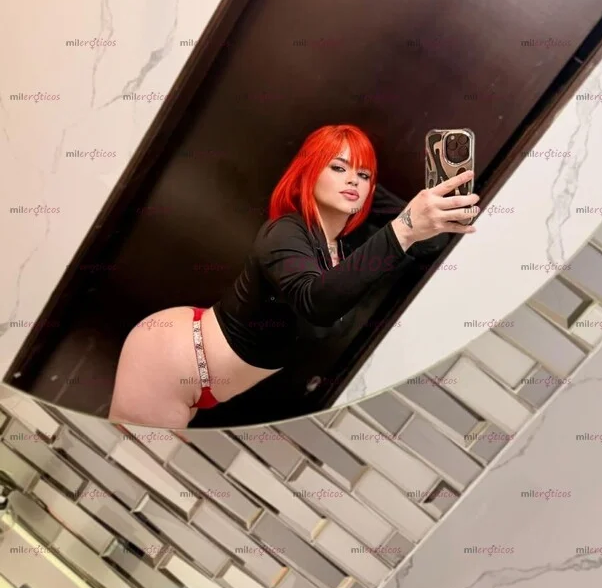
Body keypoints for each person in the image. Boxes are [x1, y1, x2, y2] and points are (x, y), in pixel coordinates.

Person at [108, 123, 480, 428]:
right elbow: (316, 301)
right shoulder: (284, 232)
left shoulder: (342, 250)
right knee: (141, 474)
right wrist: (404, 224)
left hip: (209, 385)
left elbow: (431, 244)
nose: (352, 179)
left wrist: (382, 198)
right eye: (338, 167)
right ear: (308, 173)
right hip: (172, 359)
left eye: (363, 174)